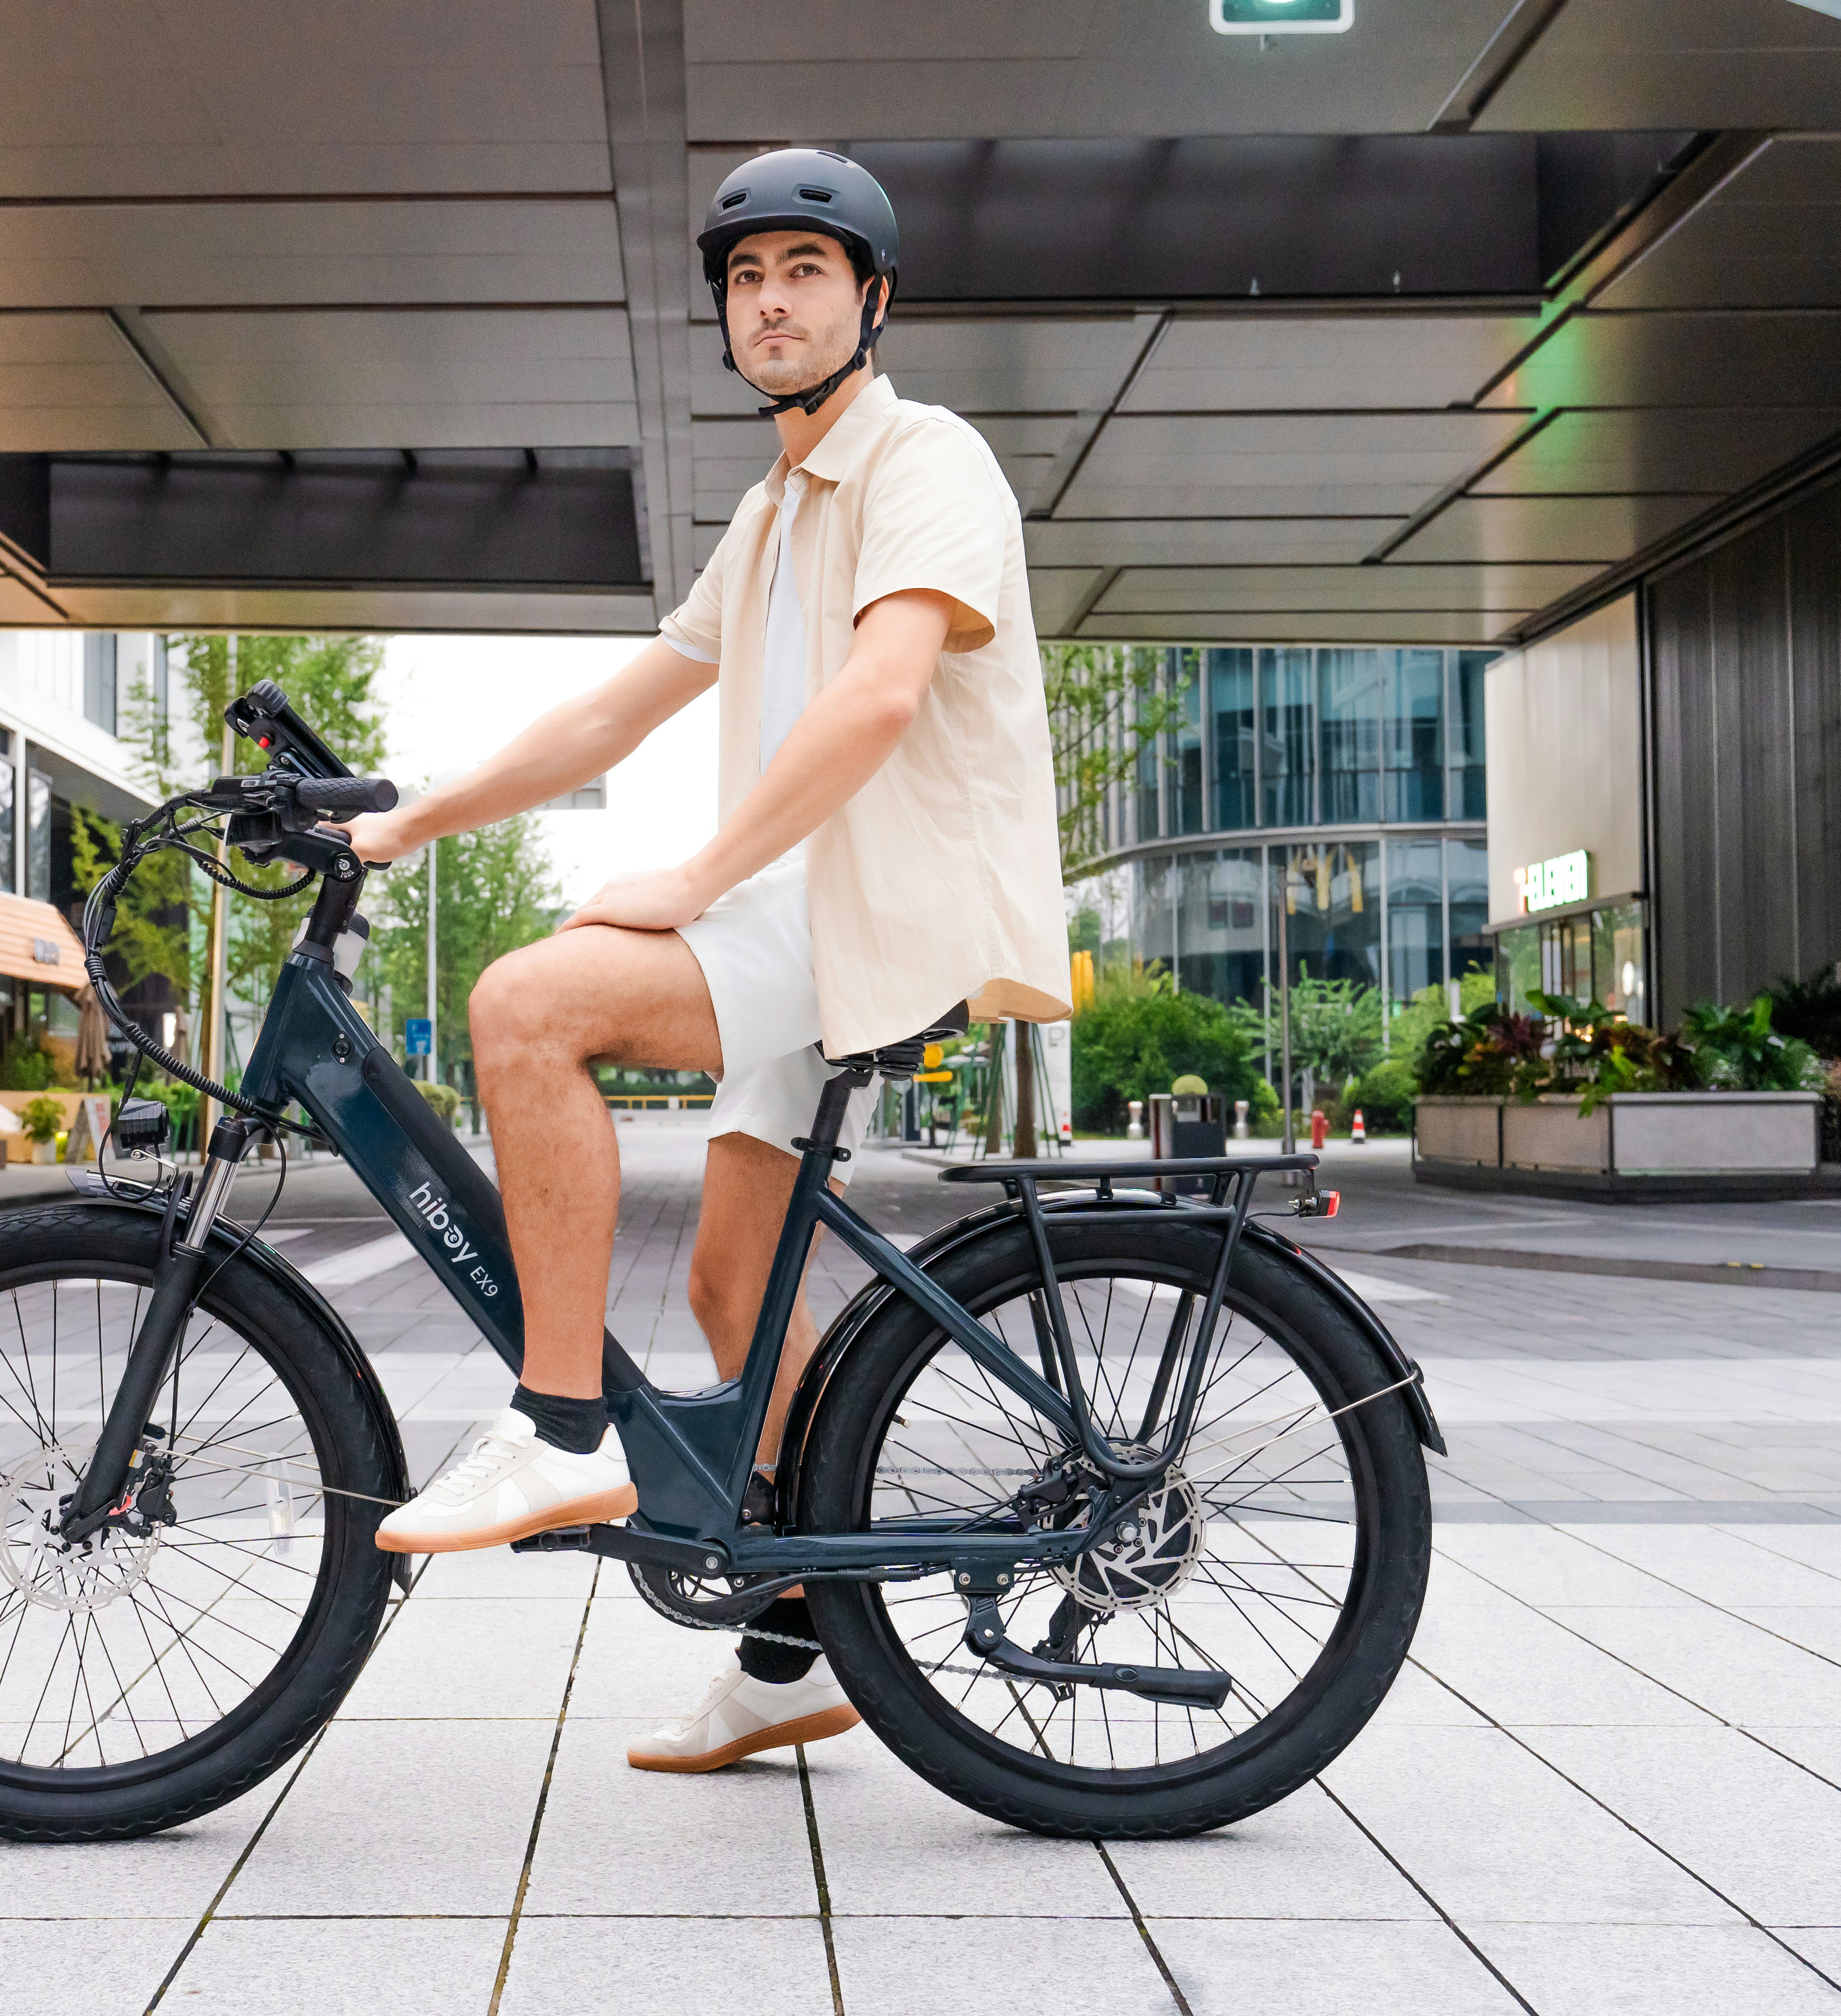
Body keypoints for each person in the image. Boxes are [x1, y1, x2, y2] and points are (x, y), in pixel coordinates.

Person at [330, 149, 1068, 1773]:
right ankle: (796, 1643)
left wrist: (696, 878)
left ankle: (559, 1422)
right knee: (735, 1283)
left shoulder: (926, 459)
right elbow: (621, 707)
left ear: (873, 298)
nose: (771, 301)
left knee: (527, 1004)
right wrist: (413, 821)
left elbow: (882, 695)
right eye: (745, 278)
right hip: (801, 912)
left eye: (807, 270)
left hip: (879, 904)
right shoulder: (771, 511)